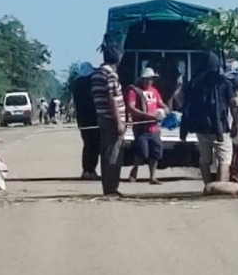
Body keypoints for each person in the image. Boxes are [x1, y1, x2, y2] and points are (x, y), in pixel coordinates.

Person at [180, 52, 238, 184]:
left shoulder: (195, 82)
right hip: (220, 127)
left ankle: (208, 186)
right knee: (224, 158)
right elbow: (233, 104)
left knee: (205, 159)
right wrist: (235, 122)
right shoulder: (223, 82)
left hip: (201, 127)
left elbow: (187, 105)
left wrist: (184, 128)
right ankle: (221, 186)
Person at [91, 36, 126, 196]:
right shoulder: (111, 75)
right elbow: (112, 98)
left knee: (105, 152)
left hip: (102, 117)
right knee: (114, 153)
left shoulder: (97, 74)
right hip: (111, 119)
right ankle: (112, 187)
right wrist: (119, 122)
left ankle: (107, 187)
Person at [125, 67, 169, 185]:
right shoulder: (134, 91)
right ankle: (134, 171)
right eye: (147, 79)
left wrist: (165, 109)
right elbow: (131, 107)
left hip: (154, 128)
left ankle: (152, 176)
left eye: (151, 79)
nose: (149, 81)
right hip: (141, 128)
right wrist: (146, 115)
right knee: (142, 152)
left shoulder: (154, 91)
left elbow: (161, 103)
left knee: (155, 152)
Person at [72, 62, 100, 180]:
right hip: (92, 118)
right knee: (93, 145)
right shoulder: (89, 83)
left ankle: (87, 170)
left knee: (88, 144)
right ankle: (90, 170)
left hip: (82, 119)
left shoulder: (76, 83)